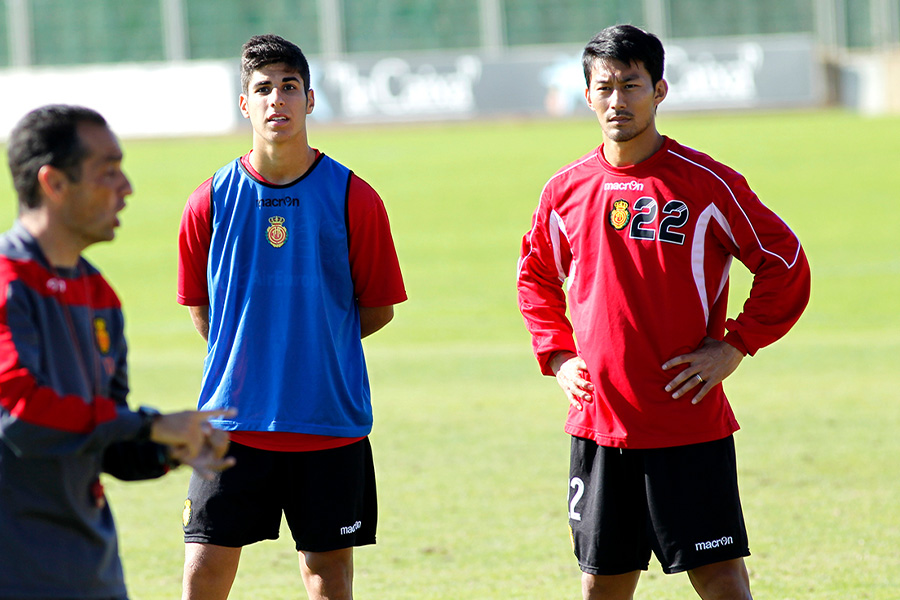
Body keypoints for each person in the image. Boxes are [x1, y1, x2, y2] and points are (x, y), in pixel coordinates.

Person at [516, 25, 810, 600]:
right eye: (605, 87)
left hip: (685, 418)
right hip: (601, 421)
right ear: (587, 96)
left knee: (720, 577)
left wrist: (736, 344)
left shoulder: (707, 183)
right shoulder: (566, 191)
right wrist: (558, 358)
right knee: (604, 581)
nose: (618, 100)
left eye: (632, 84)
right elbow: (535, 278)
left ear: (660, 90)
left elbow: (786, 262)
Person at [176, 34, 406, 600]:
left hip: (327, 419)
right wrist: (251, 353)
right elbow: (204, 313)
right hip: (231, 420)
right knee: (203, 568)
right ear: (244, 104)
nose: (276, 99)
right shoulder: (208, 200)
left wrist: (311, 348)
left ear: (309, 99)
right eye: (263, 89)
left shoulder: (355, 197)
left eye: (288, 87)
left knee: (326, 575)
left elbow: (375, 309)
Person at [0, 104, 235, 600]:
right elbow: (19, 414)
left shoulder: (99, 296)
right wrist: (148, 424)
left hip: (92, 571)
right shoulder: (7, 286)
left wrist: (169, 448)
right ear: (54, 184)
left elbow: (104, 437)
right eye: (108, 171)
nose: (126, 187)